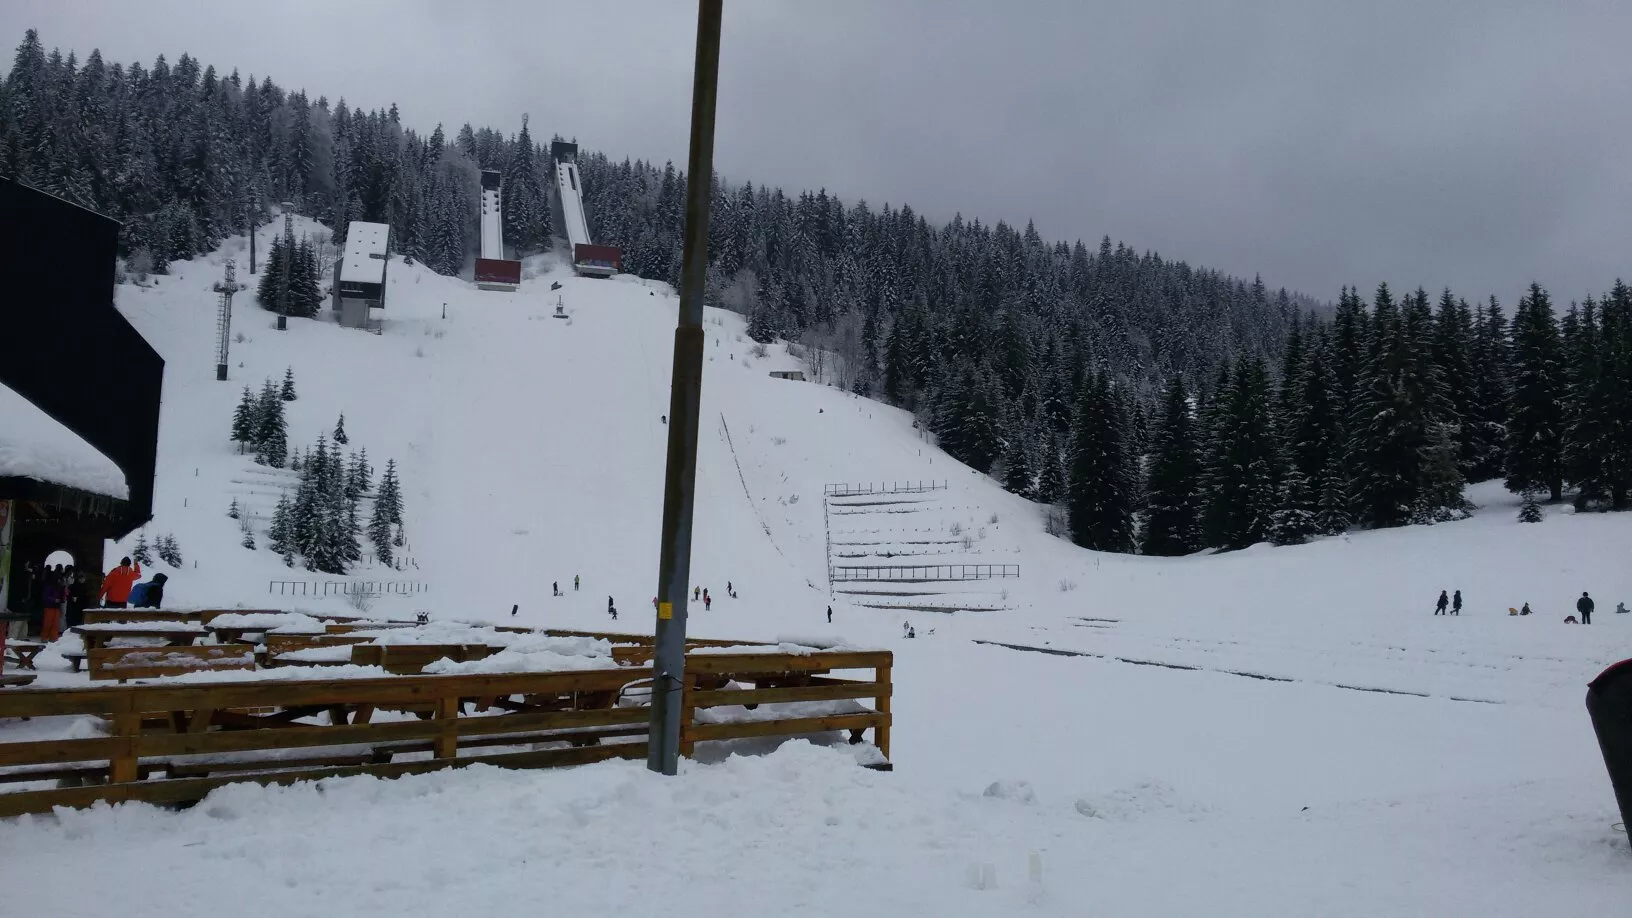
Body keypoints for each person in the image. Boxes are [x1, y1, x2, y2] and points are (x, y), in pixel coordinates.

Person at [39, 573, 64, 642]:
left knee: (55, 624)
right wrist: (54, 600)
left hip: (56, 607)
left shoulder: (59, 587)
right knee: (48, 623)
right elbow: (45, 597)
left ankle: (53, 637)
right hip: (49, 607)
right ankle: (45, 637)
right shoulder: (48, 586)